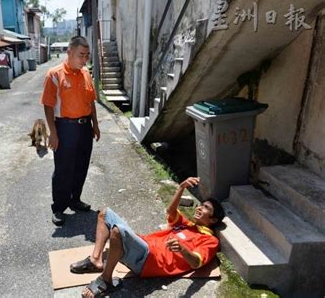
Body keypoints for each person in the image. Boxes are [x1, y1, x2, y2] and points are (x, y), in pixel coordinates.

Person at [69, 177, 225, 297]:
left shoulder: (210, 240)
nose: (199, 208)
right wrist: (181, 187)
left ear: (214, 219)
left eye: (206, 208)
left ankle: (106, 280)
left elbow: (197, 263)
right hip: (144, 245)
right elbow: (171, 212)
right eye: (200, 204)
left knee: (117, 231)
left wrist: (183, 250)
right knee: (104, 213)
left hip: (149, 260)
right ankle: (96, 260)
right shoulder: (188, 224)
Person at [41, 36, 100, 226]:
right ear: (69, 52)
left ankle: (75, 199)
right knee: (63, 170)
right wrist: (53, 133)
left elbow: (90, 100)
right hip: (64, 128)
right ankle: (58, 207)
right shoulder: (54, 74)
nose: (84, 60)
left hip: (84, 128)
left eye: (87, 56)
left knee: (81, 166)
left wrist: (95, 124)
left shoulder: (86, 74)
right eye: (81, 55)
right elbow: (48, 105)